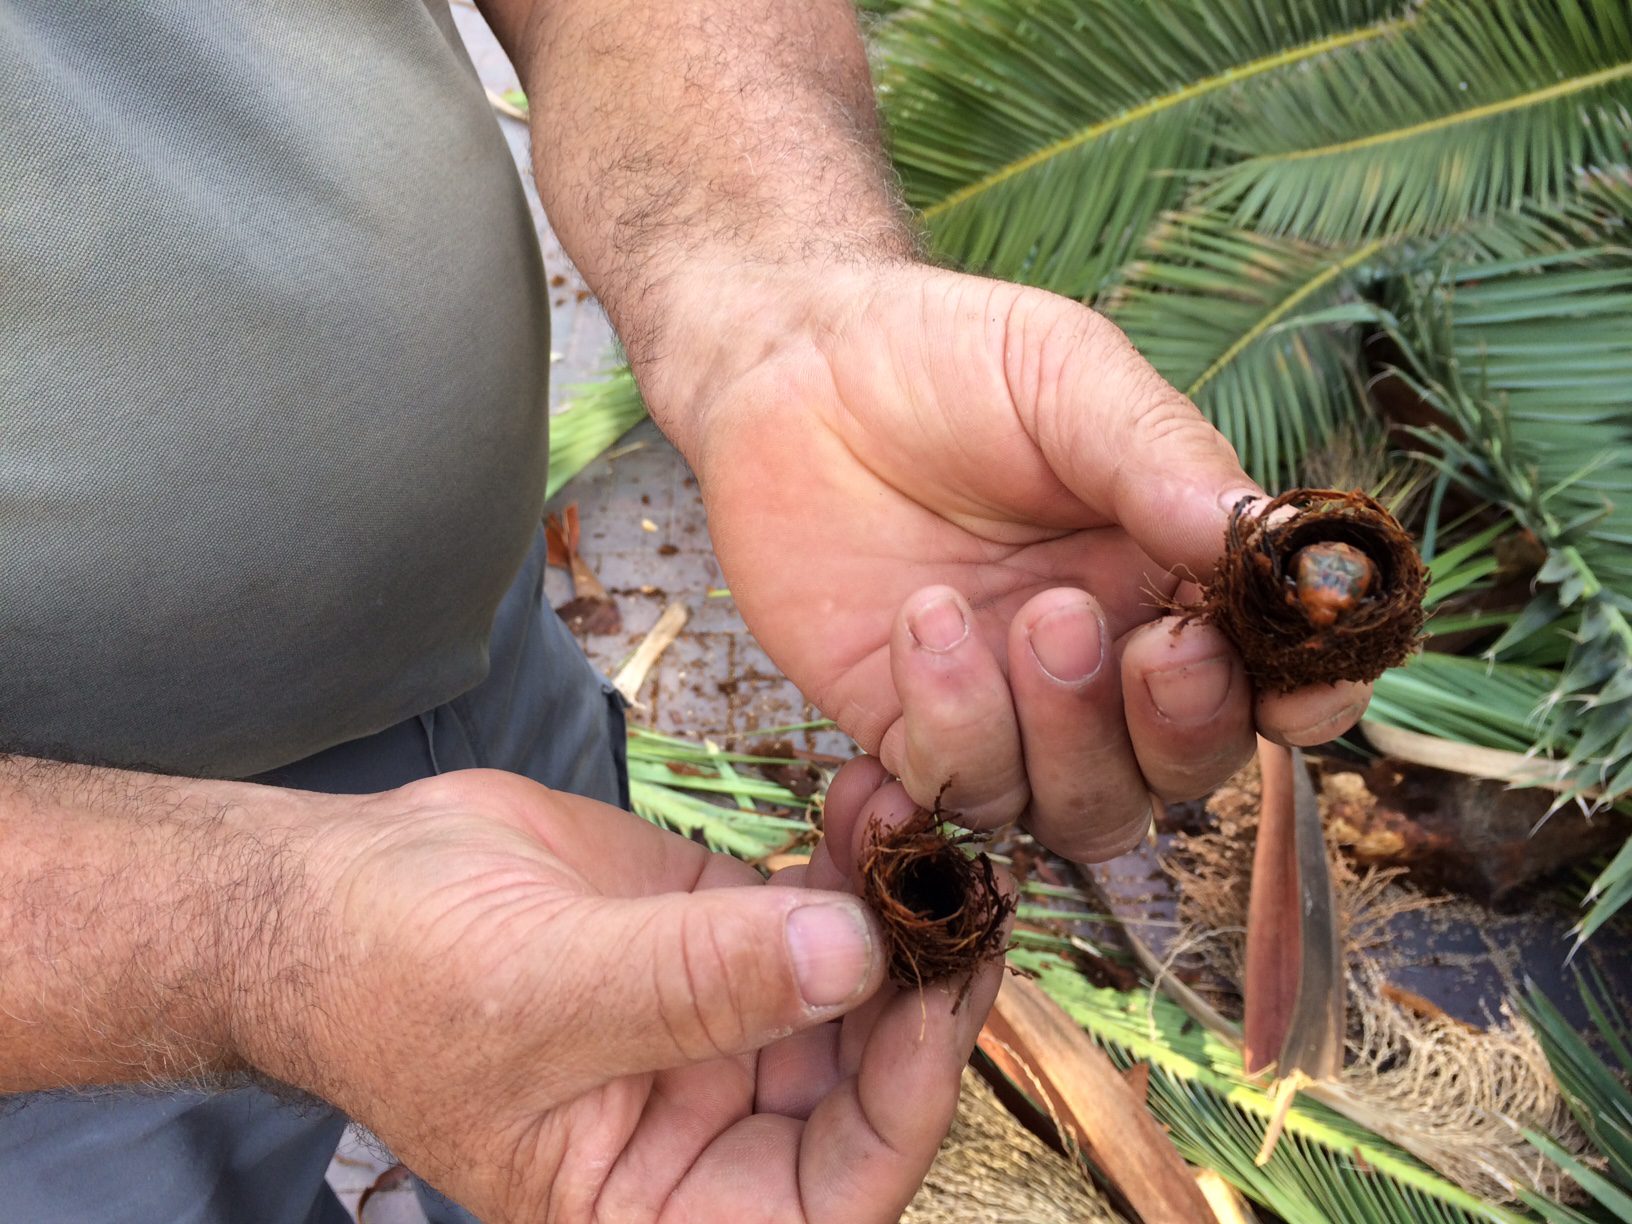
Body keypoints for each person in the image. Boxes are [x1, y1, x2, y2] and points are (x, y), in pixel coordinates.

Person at [0, 1, 1370, 1221]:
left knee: (633, 1112)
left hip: (482, 680)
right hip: (51, 998)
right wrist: (252, 944)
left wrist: (776, 285)